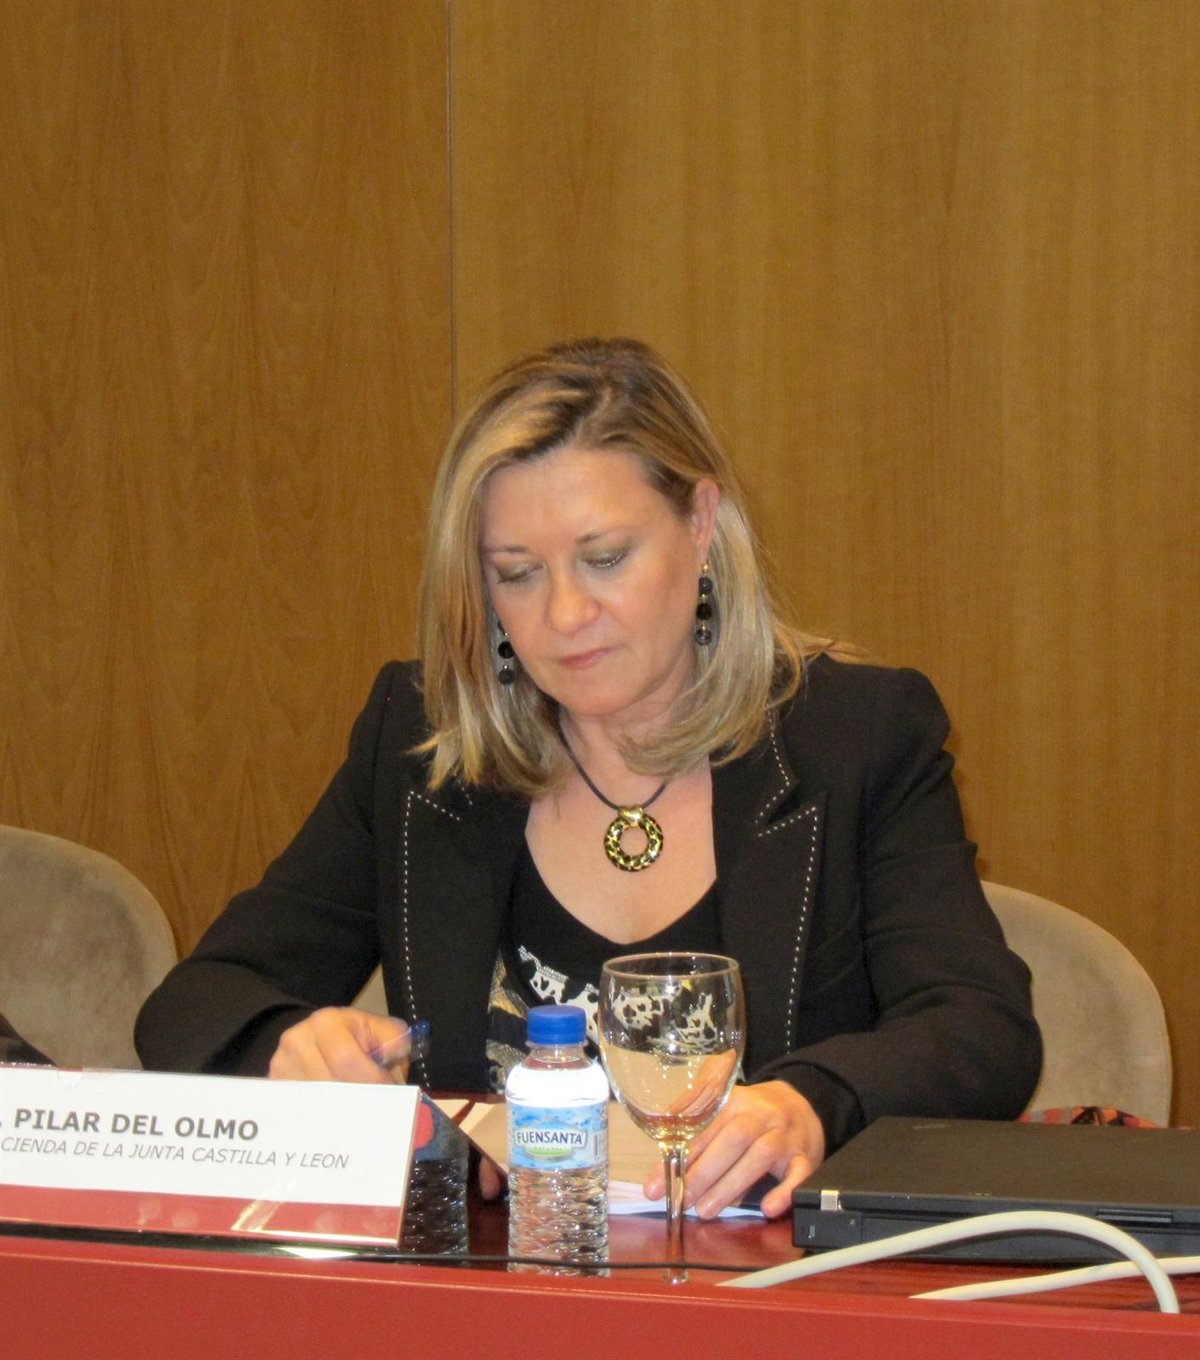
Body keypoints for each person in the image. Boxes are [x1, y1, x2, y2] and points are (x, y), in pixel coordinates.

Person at [136, 337, 1041, 1219]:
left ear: (701, 524)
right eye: (517, 574)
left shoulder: (855, 737)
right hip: (498, 1281)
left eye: (605, 558)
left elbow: (978, 1026)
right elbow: (196, 1001)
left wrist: (814, 1100)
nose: (566, 614)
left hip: (770, 1279)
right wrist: (288, 1046)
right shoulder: (421, 749)